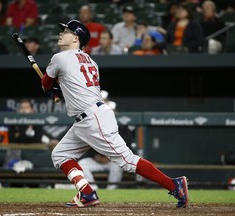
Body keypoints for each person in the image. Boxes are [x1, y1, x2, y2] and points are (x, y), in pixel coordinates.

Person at [40, 19, 189, 208]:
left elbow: (45, 83)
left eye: (66, 31)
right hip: (87, 119)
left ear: (76, 38)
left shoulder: (60, 58)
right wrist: (57, 89)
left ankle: (174, 185)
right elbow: (72, 85)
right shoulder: (91, 61)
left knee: (127, 160)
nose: (62, 34)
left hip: (93, 118)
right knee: (60, 155)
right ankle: (86, 192)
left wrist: (51, 89)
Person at [77, 90, 135, 190]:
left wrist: (109, 156)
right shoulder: (92, 121)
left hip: (113, 159)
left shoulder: (120, 124)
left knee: (117, 166)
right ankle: (94, 190)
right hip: (97, 160)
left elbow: (127, 143)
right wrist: (95, 156)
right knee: (82, 164)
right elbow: (88, 143)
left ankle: (111, 191)